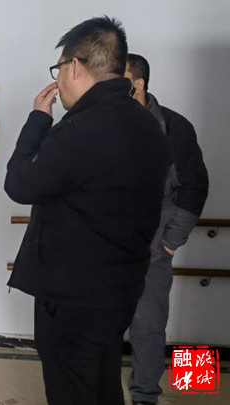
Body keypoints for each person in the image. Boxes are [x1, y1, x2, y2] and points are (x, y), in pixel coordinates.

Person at [4, 17, 171, 404]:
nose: (59, 79)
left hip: (73, 299)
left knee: (73, 390)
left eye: (59, 68)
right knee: (102, 383)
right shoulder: (149, 127)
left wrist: (38, 120)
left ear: (75, 66)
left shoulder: (81, 129)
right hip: (120, 290)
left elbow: (19, 184)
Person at [124, 53, 209, 405]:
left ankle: (145, 395)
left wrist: (170, 241)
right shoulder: (103, 125)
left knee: (148, 325)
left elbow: (195, 187)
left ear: (138, 84)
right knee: (100, 322)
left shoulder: (175, 127)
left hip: (153, 249)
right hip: (106, 245)